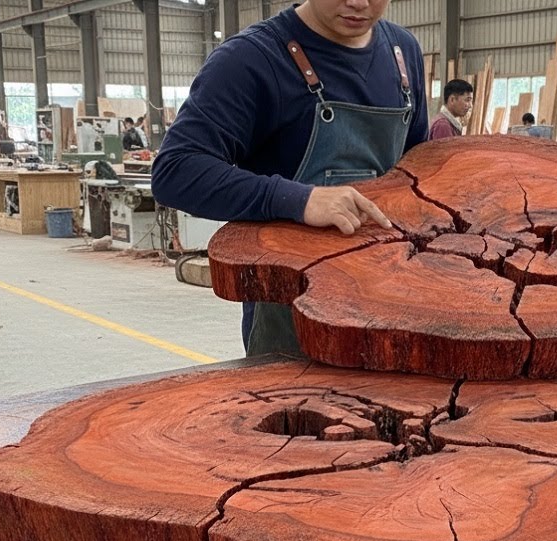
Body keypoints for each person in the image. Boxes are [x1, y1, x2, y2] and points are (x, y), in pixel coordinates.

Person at [152, 0, 427, 356]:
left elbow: (420, 166)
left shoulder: (402, 53)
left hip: (391, 299)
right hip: (292, 316)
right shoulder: (252, 59)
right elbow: (176, 170)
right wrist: (299, 200)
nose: (359, 2)